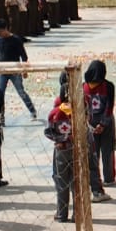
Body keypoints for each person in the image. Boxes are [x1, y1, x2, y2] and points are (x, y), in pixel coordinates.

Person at [0, 18, 36, 118]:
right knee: (0, 94)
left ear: (5, 29)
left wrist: (24, 70)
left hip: (15, 71)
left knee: (21, 92)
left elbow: (23, 56)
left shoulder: (16, 40)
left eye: (0, 32)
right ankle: (0, 116)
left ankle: (32, 110)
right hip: (2, 72)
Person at [84, 60, 116, 187]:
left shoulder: (83, 86)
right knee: (107, 150)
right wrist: (103, 124)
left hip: (90, 123)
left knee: (93, 152)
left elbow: (82, 108)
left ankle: (95, 179)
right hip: (106, 123)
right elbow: (109, 107)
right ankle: (109, 179)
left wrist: (88, 123)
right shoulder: (108, 86)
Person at [43, 92, 76, 224]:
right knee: (76, 183)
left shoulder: (54, 113)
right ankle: (77, 214)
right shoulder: (80, 111)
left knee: (61, 182)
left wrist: (60, 140)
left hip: (61, 150)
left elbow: (48, 131)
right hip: (77, 149)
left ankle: (62, 214)